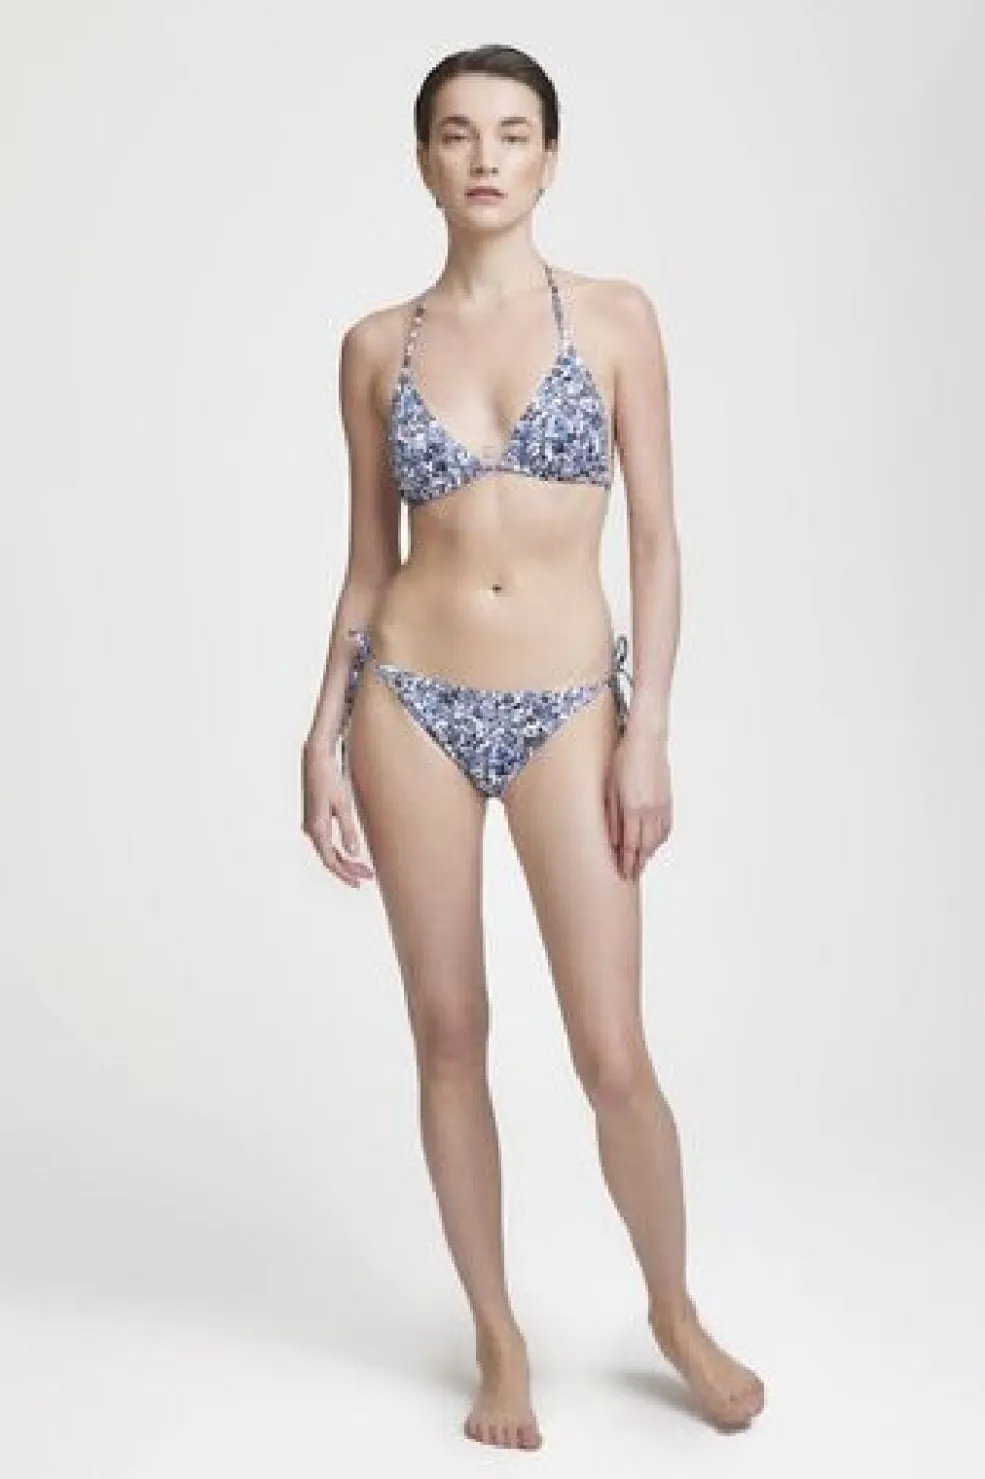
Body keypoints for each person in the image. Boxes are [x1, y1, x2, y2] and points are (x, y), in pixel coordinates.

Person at [302, 42, 765, 1451]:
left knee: (612, 1050)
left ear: (550, 160)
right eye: (457, 133)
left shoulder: (616, 320)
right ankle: (497, 1336)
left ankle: (672, 1310)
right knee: (449, 1031)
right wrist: (322, 734)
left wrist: (649, 727)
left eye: (512, 133)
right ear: (424, 162)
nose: (486, 157)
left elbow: (658, 538)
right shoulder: (376, 347)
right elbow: (368, 564)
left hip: (571, 705)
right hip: (411, 702)